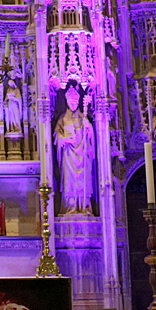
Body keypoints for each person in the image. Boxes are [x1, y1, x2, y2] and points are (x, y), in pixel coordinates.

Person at [53, 85, 94, 214]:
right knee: (69, 182)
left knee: (83, 181)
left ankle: (83, 206)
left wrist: (88, 128)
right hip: (68, 156)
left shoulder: (83, 118)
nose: (73, 104)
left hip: (82, 157)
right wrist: (64, 140)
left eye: (75, 101)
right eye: (70, 102)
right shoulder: (62, 119)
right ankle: (70, 207)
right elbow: (56, 137)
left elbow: (91, 139)